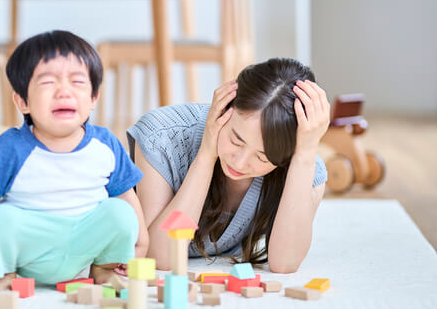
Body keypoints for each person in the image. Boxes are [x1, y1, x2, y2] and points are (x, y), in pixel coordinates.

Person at [0, 30, 148, 293]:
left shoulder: (104, 144)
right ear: (23, 101)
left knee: (120, 213)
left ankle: (104, 269)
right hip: (30, 243)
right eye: (48, 83)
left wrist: (139, 246)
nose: (64, 92)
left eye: (77, 82)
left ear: (93, 98)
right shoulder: (13, 147)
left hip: (85, 237)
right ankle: (6, 273)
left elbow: (127, 196)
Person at [127, 57, 329, 273]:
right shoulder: (162, 135)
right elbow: (160, 257)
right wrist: (206, 154)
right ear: (225, 109)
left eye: (262, 157)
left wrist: (304, 156)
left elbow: (284, 264)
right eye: (235, 140)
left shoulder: (305, 167)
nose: (240, 162)